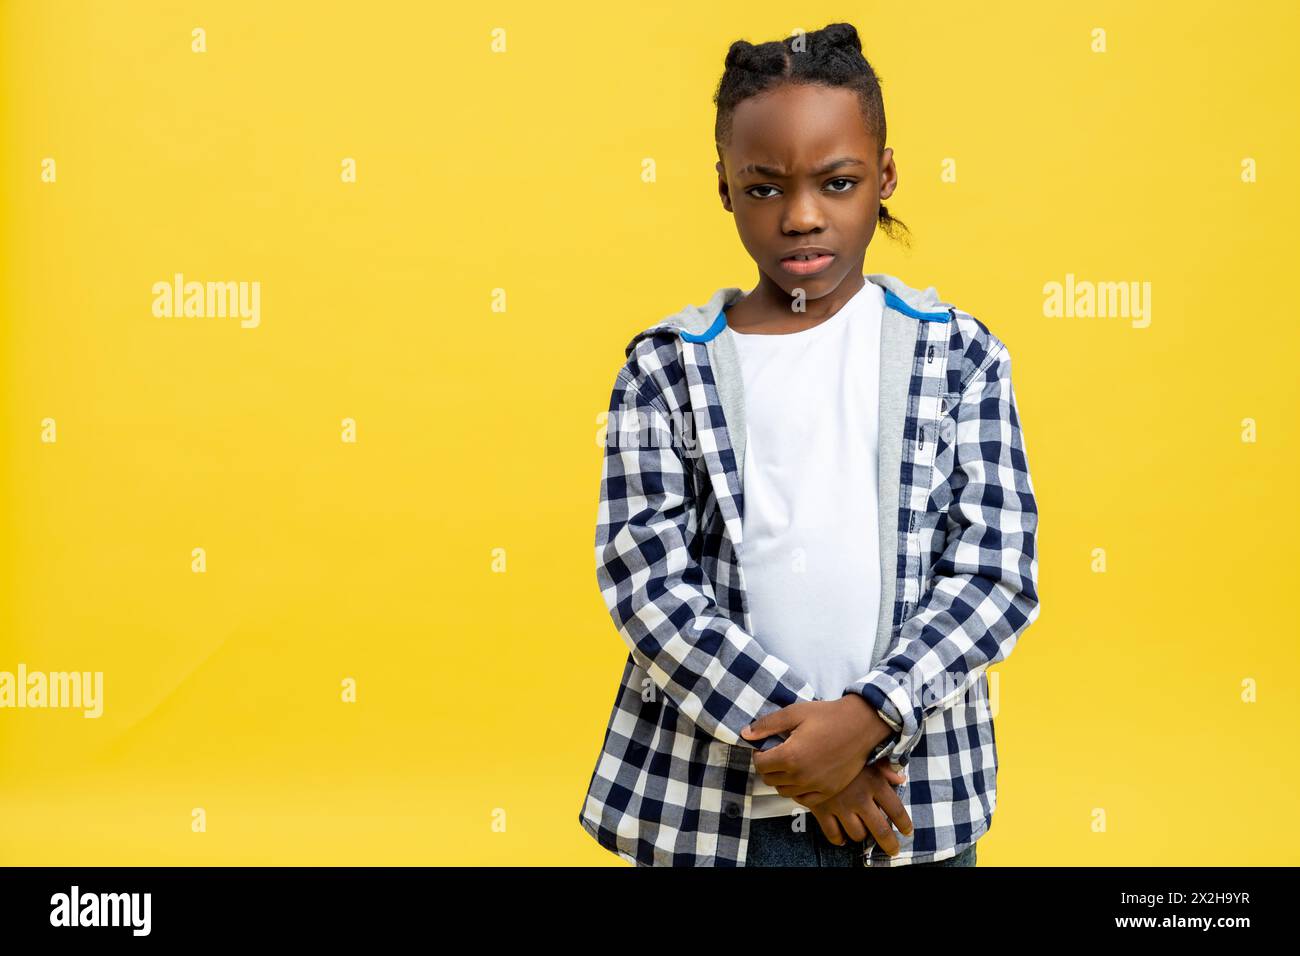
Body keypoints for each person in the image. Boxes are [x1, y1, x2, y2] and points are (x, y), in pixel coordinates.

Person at [577, 21, 1040, 867]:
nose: (800, 217)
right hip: (718, 816)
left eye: (837, 182)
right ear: (723, 186)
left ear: (885, 175)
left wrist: (867, 723)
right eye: (763, 189)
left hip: (909, 804)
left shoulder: (962, 356)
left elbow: (996, 574)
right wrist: (808, 754)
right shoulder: (665, 368)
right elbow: (645, 581)